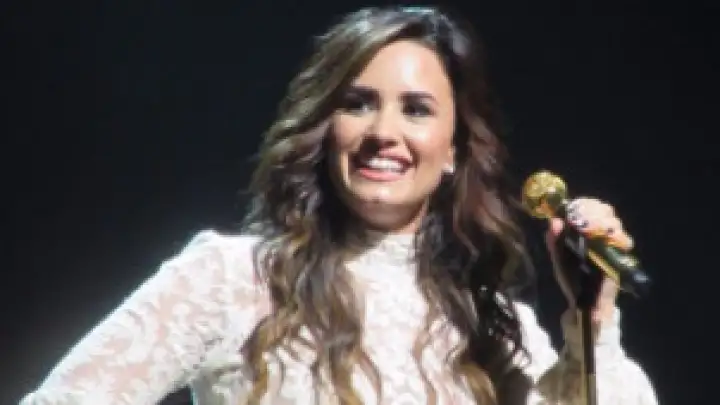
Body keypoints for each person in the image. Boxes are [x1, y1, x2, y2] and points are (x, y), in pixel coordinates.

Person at [19, 6, 658, 405]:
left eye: (416, 110)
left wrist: (592, 319)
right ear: (326, 129)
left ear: (455, 149)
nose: (384, 132)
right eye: (358, 103)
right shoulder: (231, 279)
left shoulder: (490, 323)